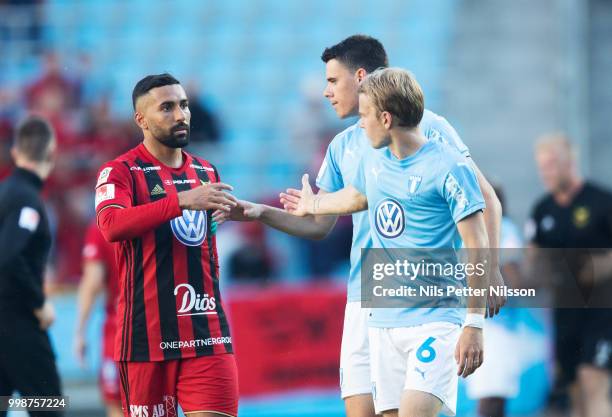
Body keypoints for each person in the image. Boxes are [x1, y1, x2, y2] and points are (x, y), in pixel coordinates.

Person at [215, 35, 503, 417]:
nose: (326, 92)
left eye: (333, 81)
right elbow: (320, 225)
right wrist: (261, 213)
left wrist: (492, 268)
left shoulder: (429, 129)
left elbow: (486, 200)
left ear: (361, 78)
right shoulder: (342, 146)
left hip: (426, 300)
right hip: (364, 302)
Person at [284, 67, 488, 417]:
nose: (360, 125)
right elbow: (354, 198)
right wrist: (312, 204)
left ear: (385, 118)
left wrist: (474, 322)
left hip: (435, 317)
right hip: (383, 322)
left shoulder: (449, 166)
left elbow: (477, 243)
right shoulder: (373, 161)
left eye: (364, 116)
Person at [95, 73, 239, 417]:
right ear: (141, 120)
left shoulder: (207, 172)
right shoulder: (120, 172)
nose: (181, 115)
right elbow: (111, 226)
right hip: (147, 341)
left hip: (207, 335)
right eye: (167, 107)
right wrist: (181, 201)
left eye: (184, 105)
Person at [527, 133, 612, 417]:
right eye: (541, 167)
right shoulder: (542, 211)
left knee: (593, 379)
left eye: (551, 165)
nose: (545, 173)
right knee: (574, 389)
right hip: (565, 313)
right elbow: (534, 263)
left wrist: (601, 266)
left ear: (569, 163)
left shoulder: (602, 202)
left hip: (601, 312)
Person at [0, 115, 63, 417]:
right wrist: (39, 304)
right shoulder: (27, 201)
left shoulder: (4, 193)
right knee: (48, 406)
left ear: (15, 152)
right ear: (51, 153)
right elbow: (9, 256)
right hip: (18, 322)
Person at [466, 185, 525, 417]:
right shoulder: (505, 228)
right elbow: (515, 277)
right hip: (495, 326)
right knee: (492, 398)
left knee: (491, 396)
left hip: (480, 323)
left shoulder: (468, 229)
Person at [74, 219, 122, 417]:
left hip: (120, 329)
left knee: (117, 404)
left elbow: (92, 282)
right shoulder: (159, 217)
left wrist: (80, 333)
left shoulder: (103, 227)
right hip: (161, 327)